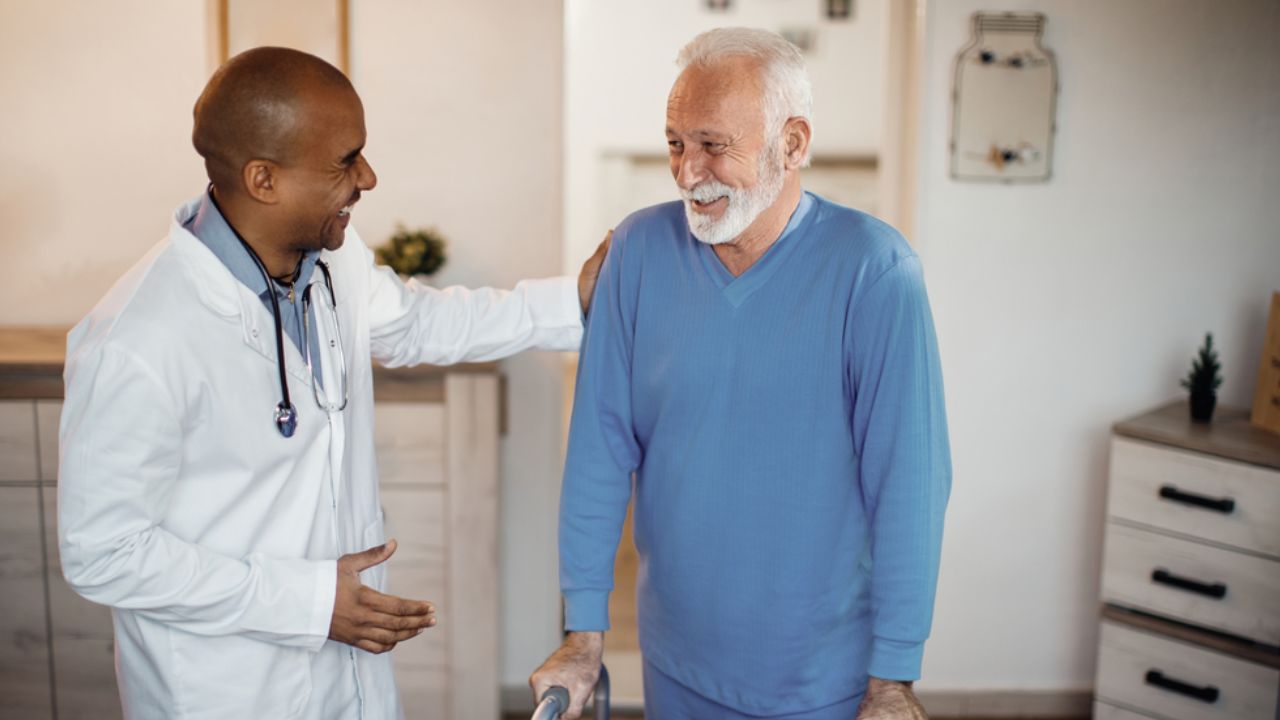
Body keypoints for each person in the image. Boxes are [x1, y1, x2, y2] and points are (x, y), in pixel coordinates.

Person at [58, 47, 606, 719]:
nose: (368, 177)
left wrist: (573, 301)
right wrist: (309, 603)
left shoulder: (329, 262)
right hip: (224, 692)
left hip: (347, 680)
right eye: (346, 160)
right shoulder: (138, 337)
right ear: (264, 179)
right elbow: (103, 553)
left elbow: (419, 325)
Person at [531, 28, 950, 720]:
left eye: (713, 145)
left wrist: (893, 677)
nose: (688, 170)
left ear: (792, 144)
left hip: (824, 678)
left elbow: (910, 482)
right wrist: (583, 631)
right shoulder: (636, 250)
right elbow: (599, 448)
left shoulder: (875, 272)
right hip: (677, 663)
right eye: (675, 143)